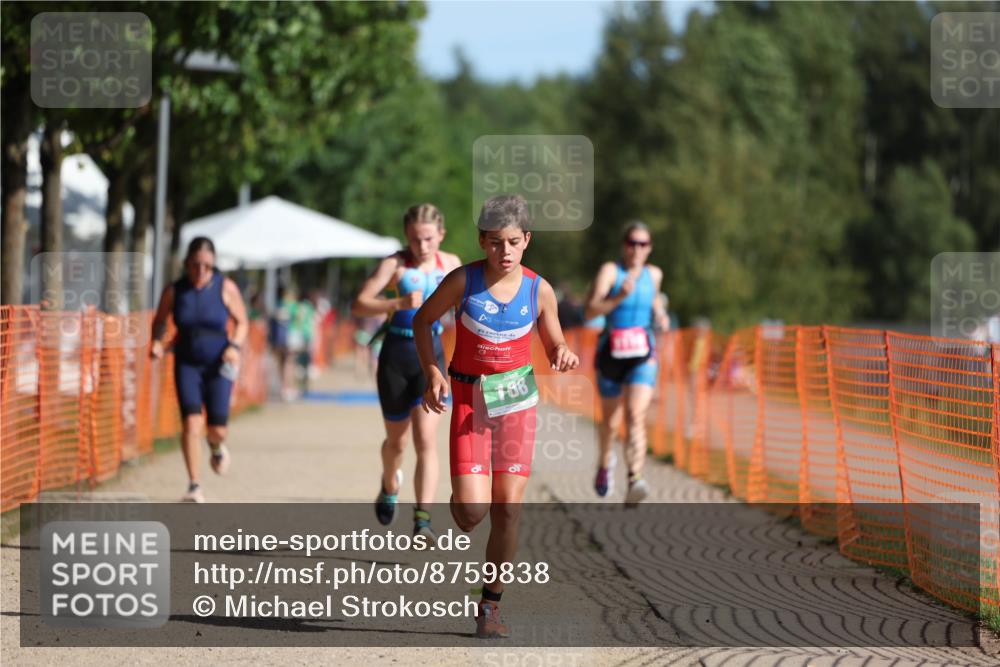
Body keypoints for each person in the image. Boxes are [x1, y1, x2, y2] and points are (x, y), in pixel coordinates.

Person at [414, 194, 579, 639]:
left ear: (527, 240)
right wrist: (433, 372)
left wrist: (562, 352)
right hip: (470, 400)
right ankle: (462, 497)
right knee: (472, 512)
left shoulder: (539, 290)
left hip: (516, 404)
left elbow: (555, 341)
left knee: (507, 509)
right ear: (481, 241)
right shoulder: (462, 281)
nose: (504, 251)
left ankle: (490, 605)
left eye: (512, 242)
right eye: (494, 242)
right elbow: (422, 321)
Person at [351, 204, 461, 541]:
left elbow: (468, 309)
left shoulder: (451, 265)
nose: (422, 246)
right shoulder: (394, 264)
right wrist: (397, 304)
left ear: (441, 235)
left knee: (426, 439)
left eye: (428, 239)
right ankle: (389, 485)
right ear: (406, 237)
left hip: (433, 358)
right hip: (396, 356)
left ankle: (423, 520)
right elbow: (359, 304)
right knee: (397, 443)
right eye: (415, 239)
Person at [150, 237, 249, 503]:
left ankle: (216, 446)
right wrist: (157, 342)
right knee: (192, 422)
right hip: (187, 363)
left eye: (207, 265)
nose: (201, 270)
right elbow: (160, 321)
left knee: (217, 429)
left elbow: (242, 322)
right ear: (187, 263)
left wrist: (235, 346)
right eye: (196, 264)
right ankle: (194, 485)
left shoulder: (225, 287)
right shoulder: (175, 291)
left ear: (213, 264)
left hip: (219, 365)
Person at [584, 221, 669, 505]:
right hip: (611, 352)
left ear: (650, 248)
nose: (637, 249)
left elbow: (654, 300)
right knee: (610, 422)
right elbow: (590, 310)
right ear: (624, 245)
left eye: (643, 244)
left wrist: (660, 314)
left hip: (642, 353)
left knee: (635, 415)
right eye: (632, 243)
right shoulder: (611, 271)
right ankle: (604, 463)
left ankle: (635, 478)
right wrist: (619, 296)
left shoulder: (654, 274)